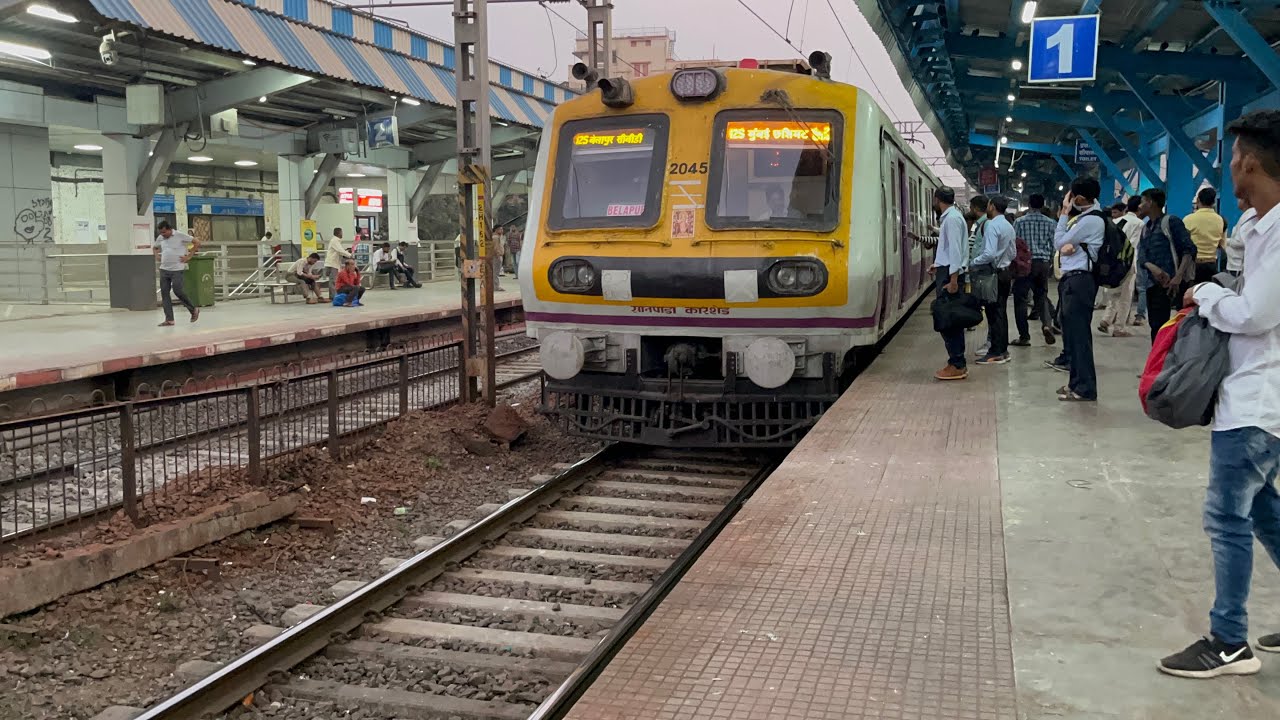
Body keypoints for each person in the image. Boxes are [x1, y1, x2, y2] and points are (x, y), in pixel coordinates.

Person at [1158, 110, 1280, 680]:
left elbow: (1254, 313)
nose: (1229, 166)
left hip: (1259, 398)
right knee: (1261, 511)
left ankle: (1229, 642)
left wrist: (1205, 293)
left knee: (1226, 517)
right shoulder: (1260, 226)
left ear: (1250, 161)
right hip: (1255, 394)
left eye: (1233, 157)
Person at [1049, 177, 1106, 401]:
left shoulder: (1090, 221)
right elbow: (1064, 247)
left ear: (1079, 198)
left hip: (1080, 282)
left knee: (1079, 336)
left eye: (1071, 197)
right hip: (1076, 280)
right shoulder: (1087, 218)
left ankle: (1085, 388)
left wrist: (1064, 212)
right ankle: (1076, 384)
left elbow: (1058, 243)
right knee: (1072, 336)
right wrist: (1066, 246)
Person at [1137, 188, 1197, 343]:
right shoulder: (1146, 228)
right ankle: (1157, 363)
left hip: (1173, 285)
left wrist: (1178, 276)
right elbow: (1142, 256)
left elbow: (1189, 249)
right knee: (1156, 326)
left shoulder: (1171, 222)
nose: (1140, 205)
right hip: (1153, 284)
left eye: (1143, 201)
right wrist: (1153, 267)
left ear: (1151, 202)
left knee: (1174, 327)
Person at [930, 186, 969, 381]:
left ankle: (957, 363)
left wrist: (953, 280)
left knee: (949, 320)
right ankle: (955, 361)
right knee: (950, 319)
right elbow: (949, 250)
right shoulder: (951, 217)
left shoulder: (952, 220)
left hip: (951, 275)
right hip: (947, 271)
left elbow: (955, 251)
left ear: (937, 199)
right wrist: (938, 265)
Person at [973, 196, 1015, 364]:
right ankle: (1003, 350)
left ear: (991, 206)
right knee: (1001, 312)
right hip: (1005, 273)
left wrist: (973, 262)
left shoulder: (992, 226)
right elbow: (1013, 253)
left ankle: (995, 351)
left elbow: (989, 254)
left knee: (993, 313)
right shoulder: (1008, 225)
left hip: (994, 274)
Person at [1012, 194, 1057, 347]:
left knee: (1021, 300)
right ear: (1043, 205)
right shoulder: (1051, 223)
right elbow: (1054, 245)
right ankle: (1046, 325)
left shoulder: (1019, 222)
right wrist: (1049, 261)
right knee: (1041, 295)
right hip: (1043, 263)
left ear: (1028, 204)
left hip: (1025, 264)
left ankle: (1024, 337)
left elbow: (1014, 243)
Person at [1098, 196, 1144, 337]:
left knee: (1114, 292)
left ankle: (1106, 320)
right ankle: (1119, 328)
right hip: (1128, 262)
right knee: (1126, 296)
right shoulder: (1139, 223)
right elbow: (1135, 244)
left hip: (1112, 262)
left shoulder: (1115, 221)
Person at [152, 220, 201, 327]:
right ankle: (169, 319)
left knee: (177, 290)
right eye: (161, 233)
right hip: (164, 269)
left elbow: (197, 242)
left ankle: (193, 309)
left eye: (164, 232)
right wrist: (157, 255)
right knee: (165, 294)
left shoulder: (180, 235)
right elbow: (155, 247)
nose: (162, 235)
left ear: (170, 230)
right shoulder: (161, 238)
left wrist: (189, 256)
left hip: (177, 269)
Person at [1186, 186, 1227, 284]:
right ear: (1213, 202)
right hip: (1211, 265)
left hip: (1193, 266)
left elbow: (1183, 245)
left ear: (1198, 200)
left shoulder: (1189, 219)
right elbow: (1222, 245)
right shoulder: (1220, 220)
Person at [1224, 198, 1250, 278]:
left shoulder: (1248, 217)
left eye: (1240, 198)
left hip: (1237, 266)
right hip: (1234, 264)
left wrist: (1225, 241)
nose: (1237, 201)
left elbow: (1241, 242)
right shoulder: (1245, 215)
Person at [324, 228, 352, 297]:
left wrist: (346, 252)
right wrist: (349, 255)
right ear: (339, 233)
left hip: (332, 263)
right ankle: (334, 296)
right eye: (342, 232)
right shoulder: (335, 240)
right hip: (332, 264)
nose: (342, 234)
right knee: (333, 281)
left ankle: (332, 296)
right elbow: (340, 250)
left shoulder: (336, 241)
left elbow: (339, 251)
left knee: (332, 280)